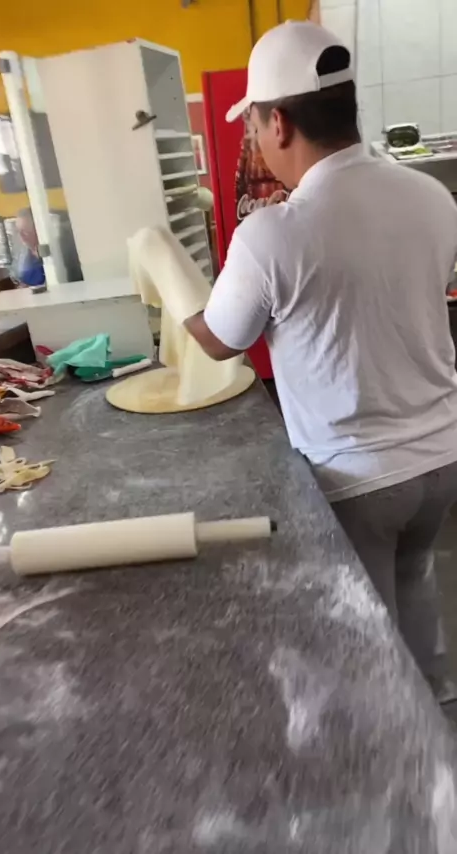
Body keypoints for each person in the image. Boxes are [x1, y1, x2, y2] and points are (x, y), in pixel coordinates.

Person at [185, 21, 457, 702]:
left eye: (253, 126)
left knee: (365, 628)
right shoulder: (432, 197)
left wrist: (183, 299)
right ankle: (436, 704)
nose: (253, 141)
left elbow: (219, 339)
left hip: (359, 474)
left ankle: (390, 739)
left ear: (279, 123)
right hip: (441, 456)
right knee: (416, 575)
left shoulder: (272, 234)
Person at [13, 208, 45, 287]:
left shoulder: (51, 252)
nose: (21, 236)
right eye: (18, 231)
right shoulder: (23, 253)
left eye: (25, 231)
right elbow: (18, 279)